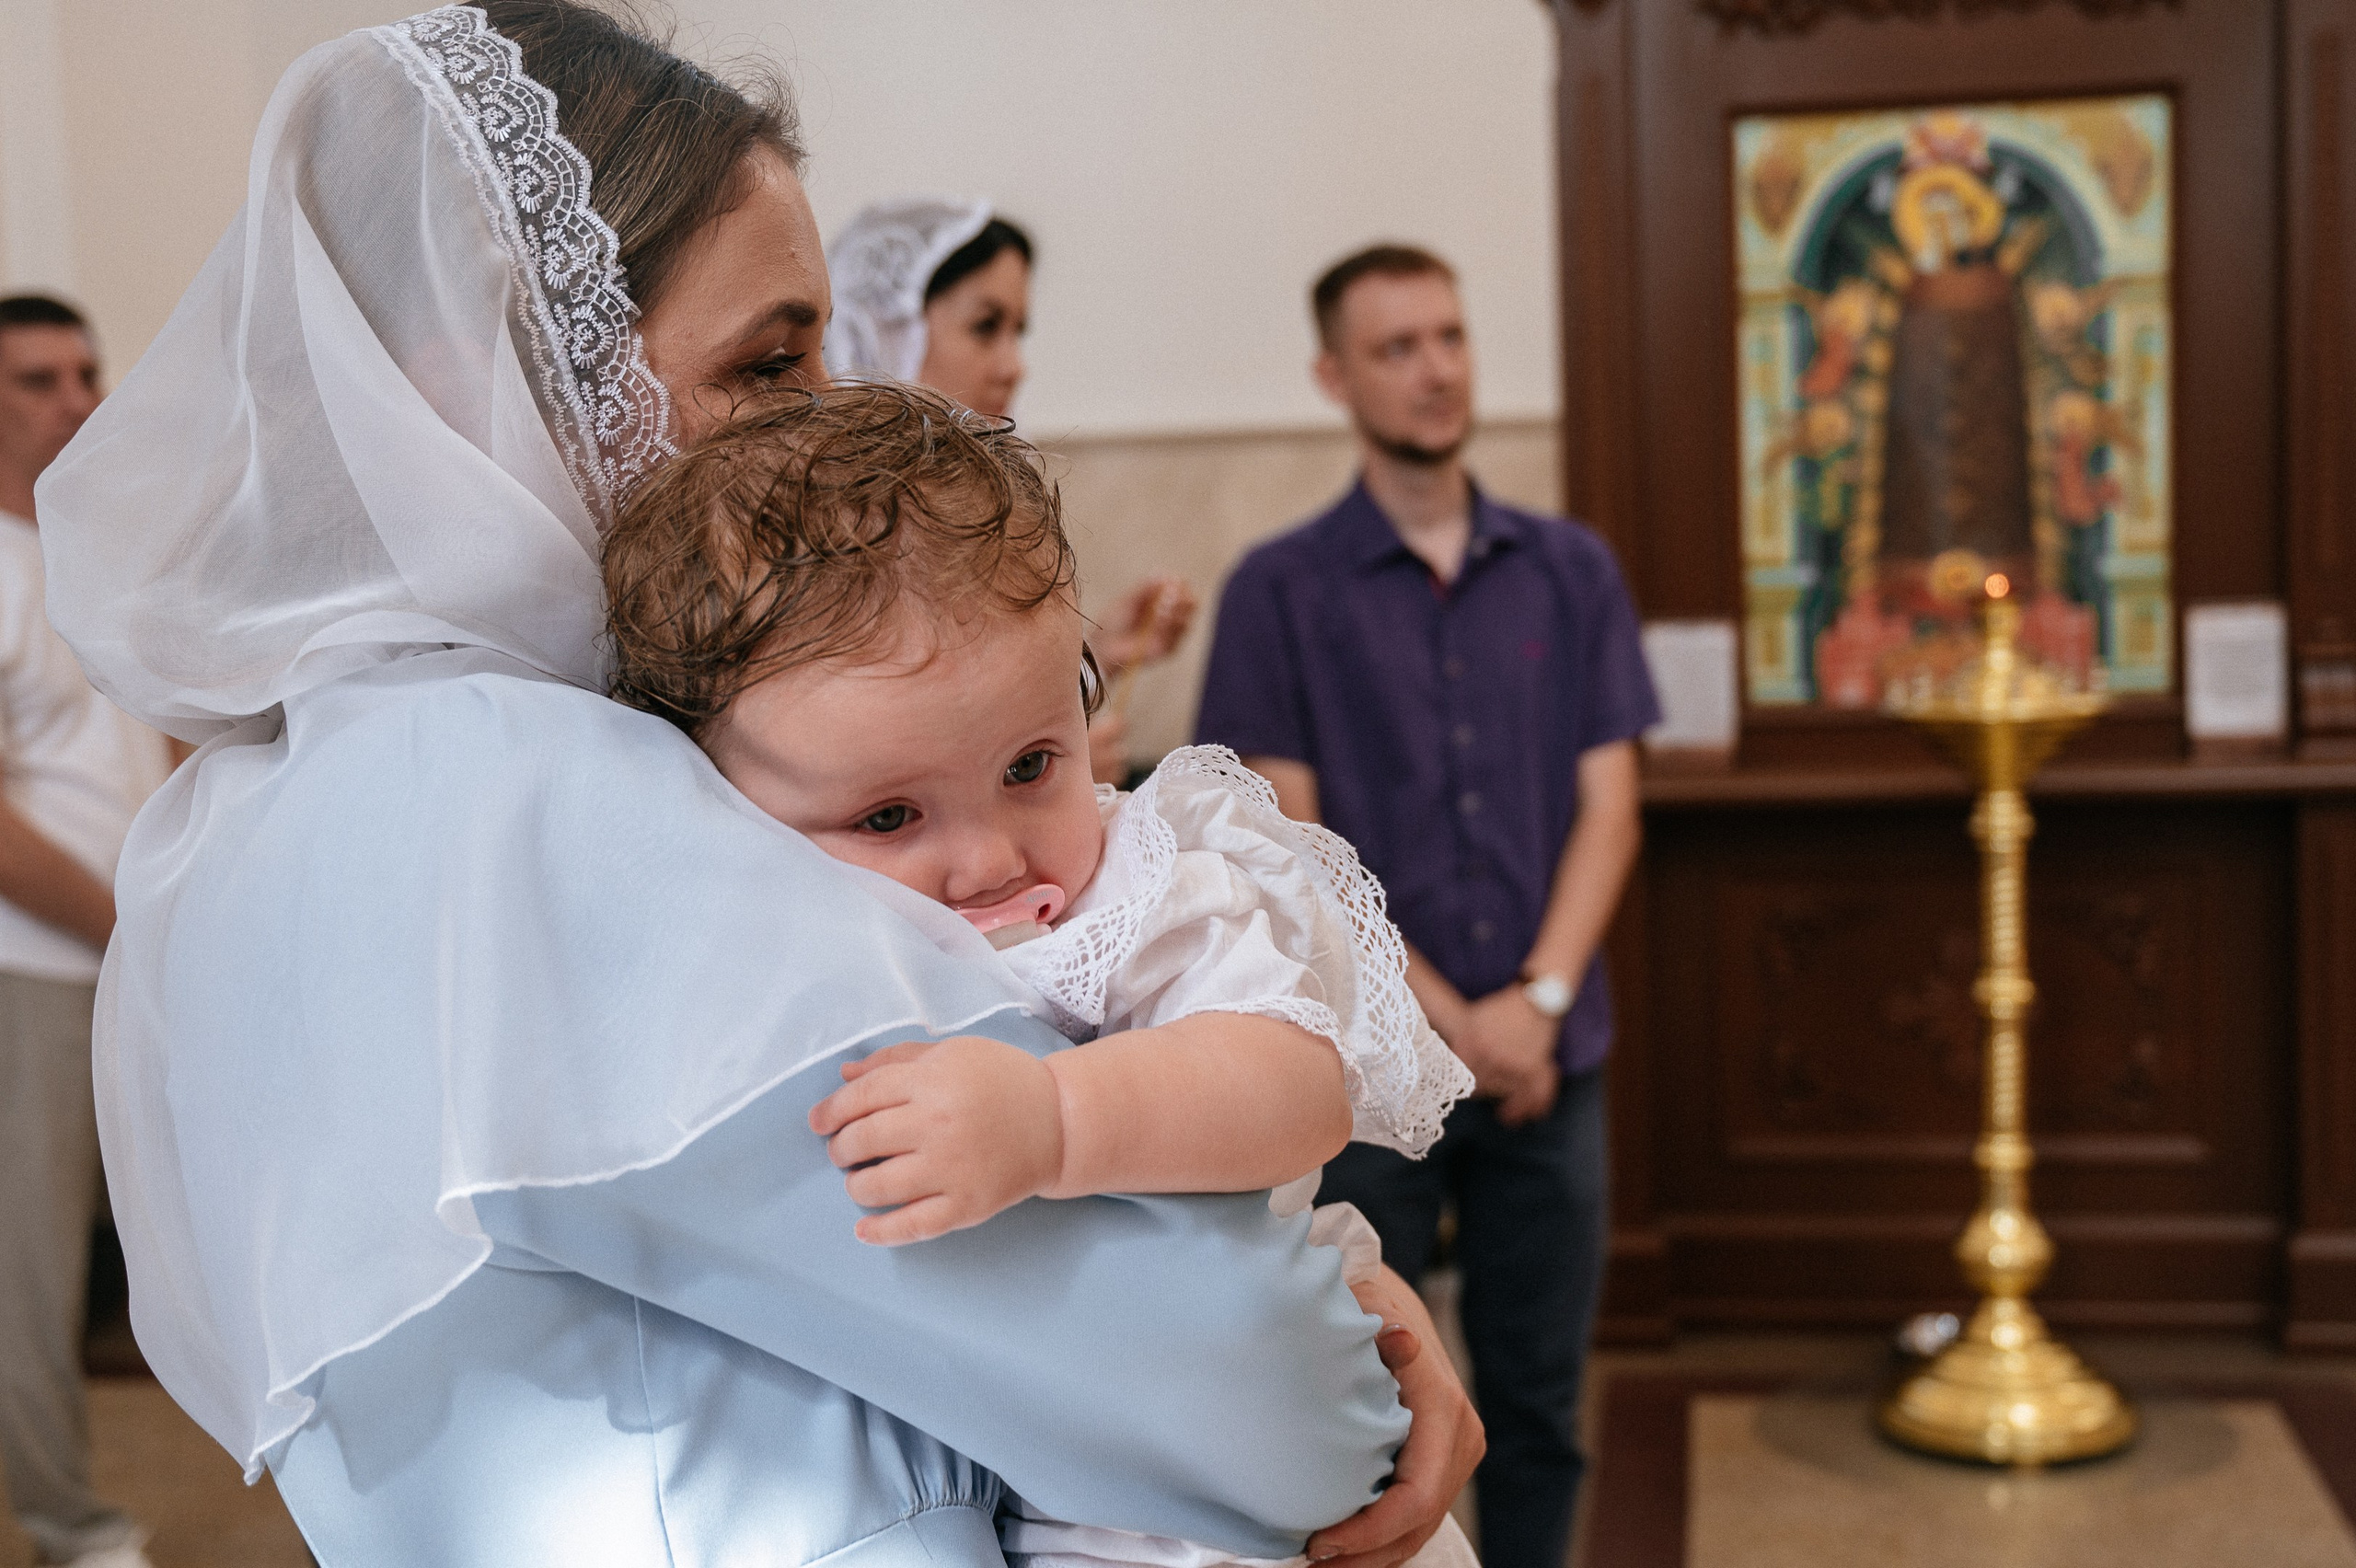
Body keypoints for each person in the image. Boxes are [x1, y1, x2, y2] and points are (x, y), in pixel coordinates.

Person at [36, 8, 1480, 1566]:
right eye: (770, 360)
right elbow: (1258, 1384)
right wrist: (1335, 1306)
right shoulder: (507, 795)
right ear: (487, 387)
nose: (820, 425)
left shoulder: (306, 785)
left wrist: (1293, 1248)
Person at [605, 381, 1480, 1567]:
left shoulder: (1135, 888)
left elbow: (1294, 1081)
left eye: (1031, 765)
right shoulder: (758, 935)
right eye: (890, 813)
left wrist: (1057, 1115)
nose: (989, 859)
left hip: (1248, 1514)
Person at [1195, 244, 1657, 1568]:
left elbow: (1611, 805)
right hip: (1369, 1071)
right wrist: (1450, 1021)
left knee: (1540, 1400)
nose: (1436, 368)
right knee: (1371, 1404)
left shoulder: (1571, 571)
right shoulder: (1279, 591)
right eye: (1396, 347)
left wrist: (1541, 1002)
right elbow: (1291, 840)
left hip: (1551, 1061)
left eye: (1448, 335)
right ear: (1334, 376)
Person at [825, 198, 1195, 784]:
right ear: (891, 328)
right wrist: (1050, 777)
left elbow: (973, 698)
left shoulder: (968, 494)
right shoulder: (832, 510)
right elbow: (864, 756)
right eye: (985, 326)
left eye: (1017, 331)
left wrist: (1102, 650)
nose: (1015, 365)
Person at [0, 294, 169, 1568]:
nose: (77, 398)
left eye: (85, 370)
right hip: (38, 969)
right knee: (30, 1271)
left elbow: (155, 727)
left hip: (137, 952)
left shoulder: (94, 540)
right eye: (39, 379)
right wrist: (124, 926)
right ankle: (70, 1523)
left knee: (172, 1225)